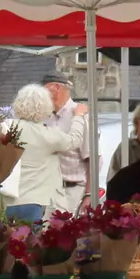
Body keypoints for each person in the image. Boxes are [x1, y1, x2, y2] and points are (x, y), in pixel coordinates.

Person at [2, 83, 90, 219]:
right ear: (46, 107)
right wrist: (78, 116)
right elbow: (75, 140)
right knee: (31, 239)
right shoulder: (47, 136)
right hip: (34, 201)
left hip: (5, 199)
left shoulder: (5, 127)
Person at [43, 74, 89, 213]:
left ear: (56, 88)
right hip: (48, 190)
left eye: (43, 91)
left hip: (73, 191)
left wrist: (88, 195)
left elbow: (92, 158)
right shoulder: (45, 115)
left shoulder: (80, 115)